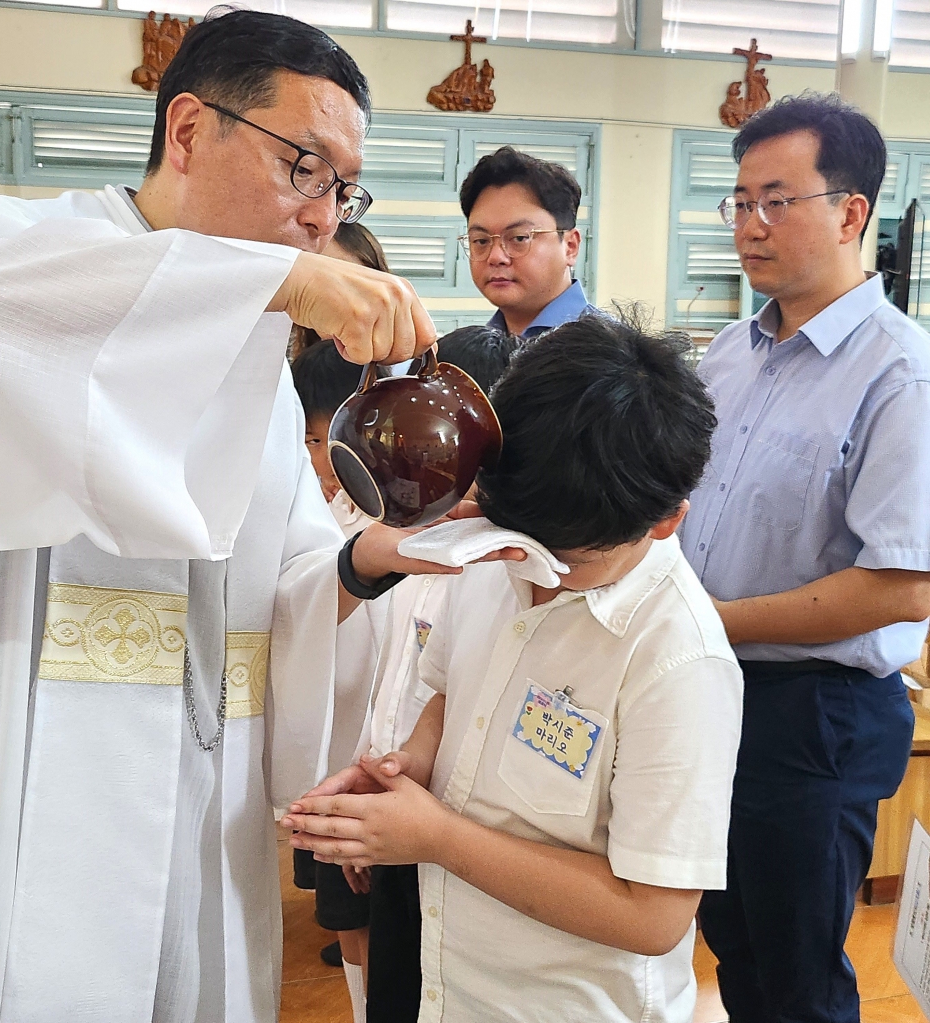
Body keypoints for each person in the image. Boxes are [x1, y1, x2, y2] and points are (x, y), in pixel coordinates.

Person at [0, 11, 457, 1023]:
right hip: (26, 779)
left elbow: (284, 582)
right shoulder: (15, 247)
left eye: (343, 189)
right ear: (191, 130)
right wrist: (276, 281)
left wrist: (365, 560)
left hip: (206, 791)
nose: (323, 217)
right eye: (305, 168)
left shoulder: (263, 369)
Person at [283, 316, 745, 1023]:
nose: (538, 568)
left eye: (572, 558)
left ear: (665, 520)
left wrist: (436, 837)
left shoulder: (678, 660)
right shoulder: (495, 548)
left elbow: (653, 915)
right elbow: (450, 690)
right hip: (437, 965)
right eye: (523, 540)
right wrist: (405, 770)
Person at [680, 93, 930, 1022]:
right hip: (713, 689)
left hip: (813, 715)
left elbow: (899, 585)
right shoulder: (728, 354)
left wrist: (710, 621)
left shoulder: (900, 373)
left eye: (776, 201)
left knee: (798, 977)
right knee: (733, 944)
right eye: (739, 202)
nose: (749, 225)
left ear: (850, 211)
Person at [359, 324, 517, 1023]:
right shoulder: (410, 532)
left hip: (460, 829)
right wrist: (381, 771)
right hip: (401, 795)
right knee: (397, 981)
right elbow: (405, 681)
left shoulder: (501, 560)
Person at [291, 339, 384, 1023]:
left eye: (335, 437)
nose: (325, 456)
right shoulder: (310, 514)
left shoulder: (395, 522)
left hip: (381, 755)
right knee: (348, 918)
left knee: (385, 922)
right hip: (330, 757)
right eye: (311, 439)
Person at [458, 146, 596, 337]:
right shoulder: (475, 346)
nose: (495, 257)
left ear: (570, 247)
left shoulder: (614, 349)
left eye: (519, 238)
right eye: (481, 241)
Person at [290, 220, 390, 361]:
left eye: (348, 283)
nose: (335, 296)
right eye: (321, 282)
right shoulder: (286, 363)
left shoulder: (413, 367)